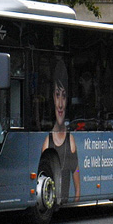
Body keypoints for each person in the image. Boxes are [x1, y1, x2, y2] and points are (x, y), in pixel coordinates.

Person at [41, 60, 80, 204]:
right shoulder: (47, 142)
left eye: (64, 96)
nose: (61, 104)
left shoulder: (71, 140)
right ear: (52, 97)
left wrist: (77, 195)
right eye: (58, 95)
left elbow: (75, 170)